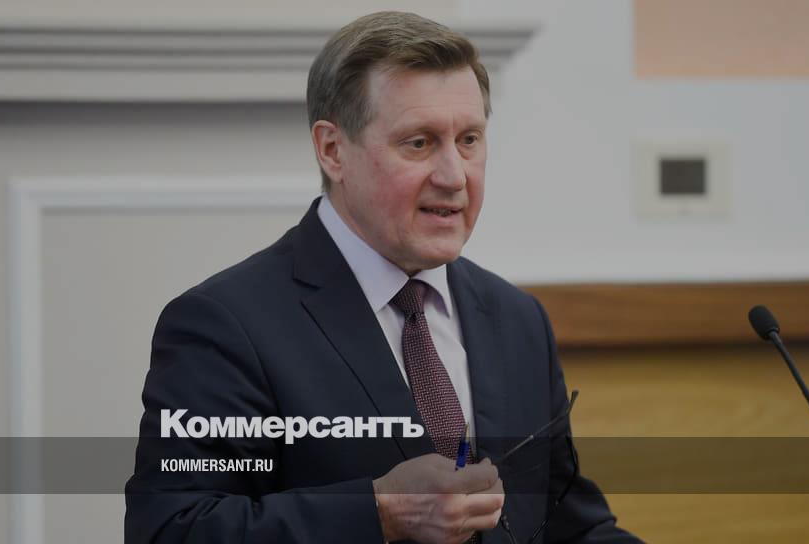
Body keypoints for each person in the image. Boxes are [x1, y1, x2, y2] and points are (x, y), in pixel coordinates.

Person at [125, 11, 640, 544]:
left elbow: (570, 527)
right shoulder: (225, 326)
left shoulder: (518, 319)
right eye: (418, 143)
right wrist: (380, 512)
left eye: (469, 140)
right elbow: (171, 531)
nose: (454, 176)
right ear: (332, 150)